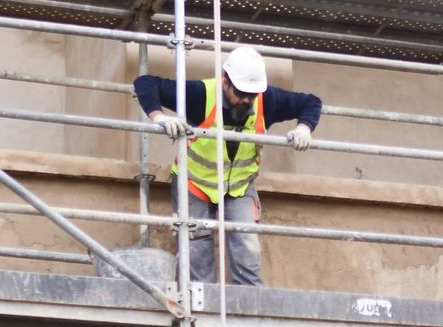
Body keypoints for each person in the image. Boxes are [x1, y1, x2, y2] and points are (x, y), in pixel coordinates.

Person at [133, 46, 322, 286]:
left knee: (247, 248)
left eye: (251, 95)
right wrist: (159, 117)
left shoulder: (267, 100)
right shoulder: (201, 94)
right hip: (195, 184)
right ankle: (200, 314)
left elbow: (311, 102)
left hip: (239, 187)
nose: (246, 100)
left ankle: (250, 312)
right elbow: (146, 83)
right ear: (226, 82)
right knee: (196, 253)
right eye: (241, 93)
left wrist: (304, 127)